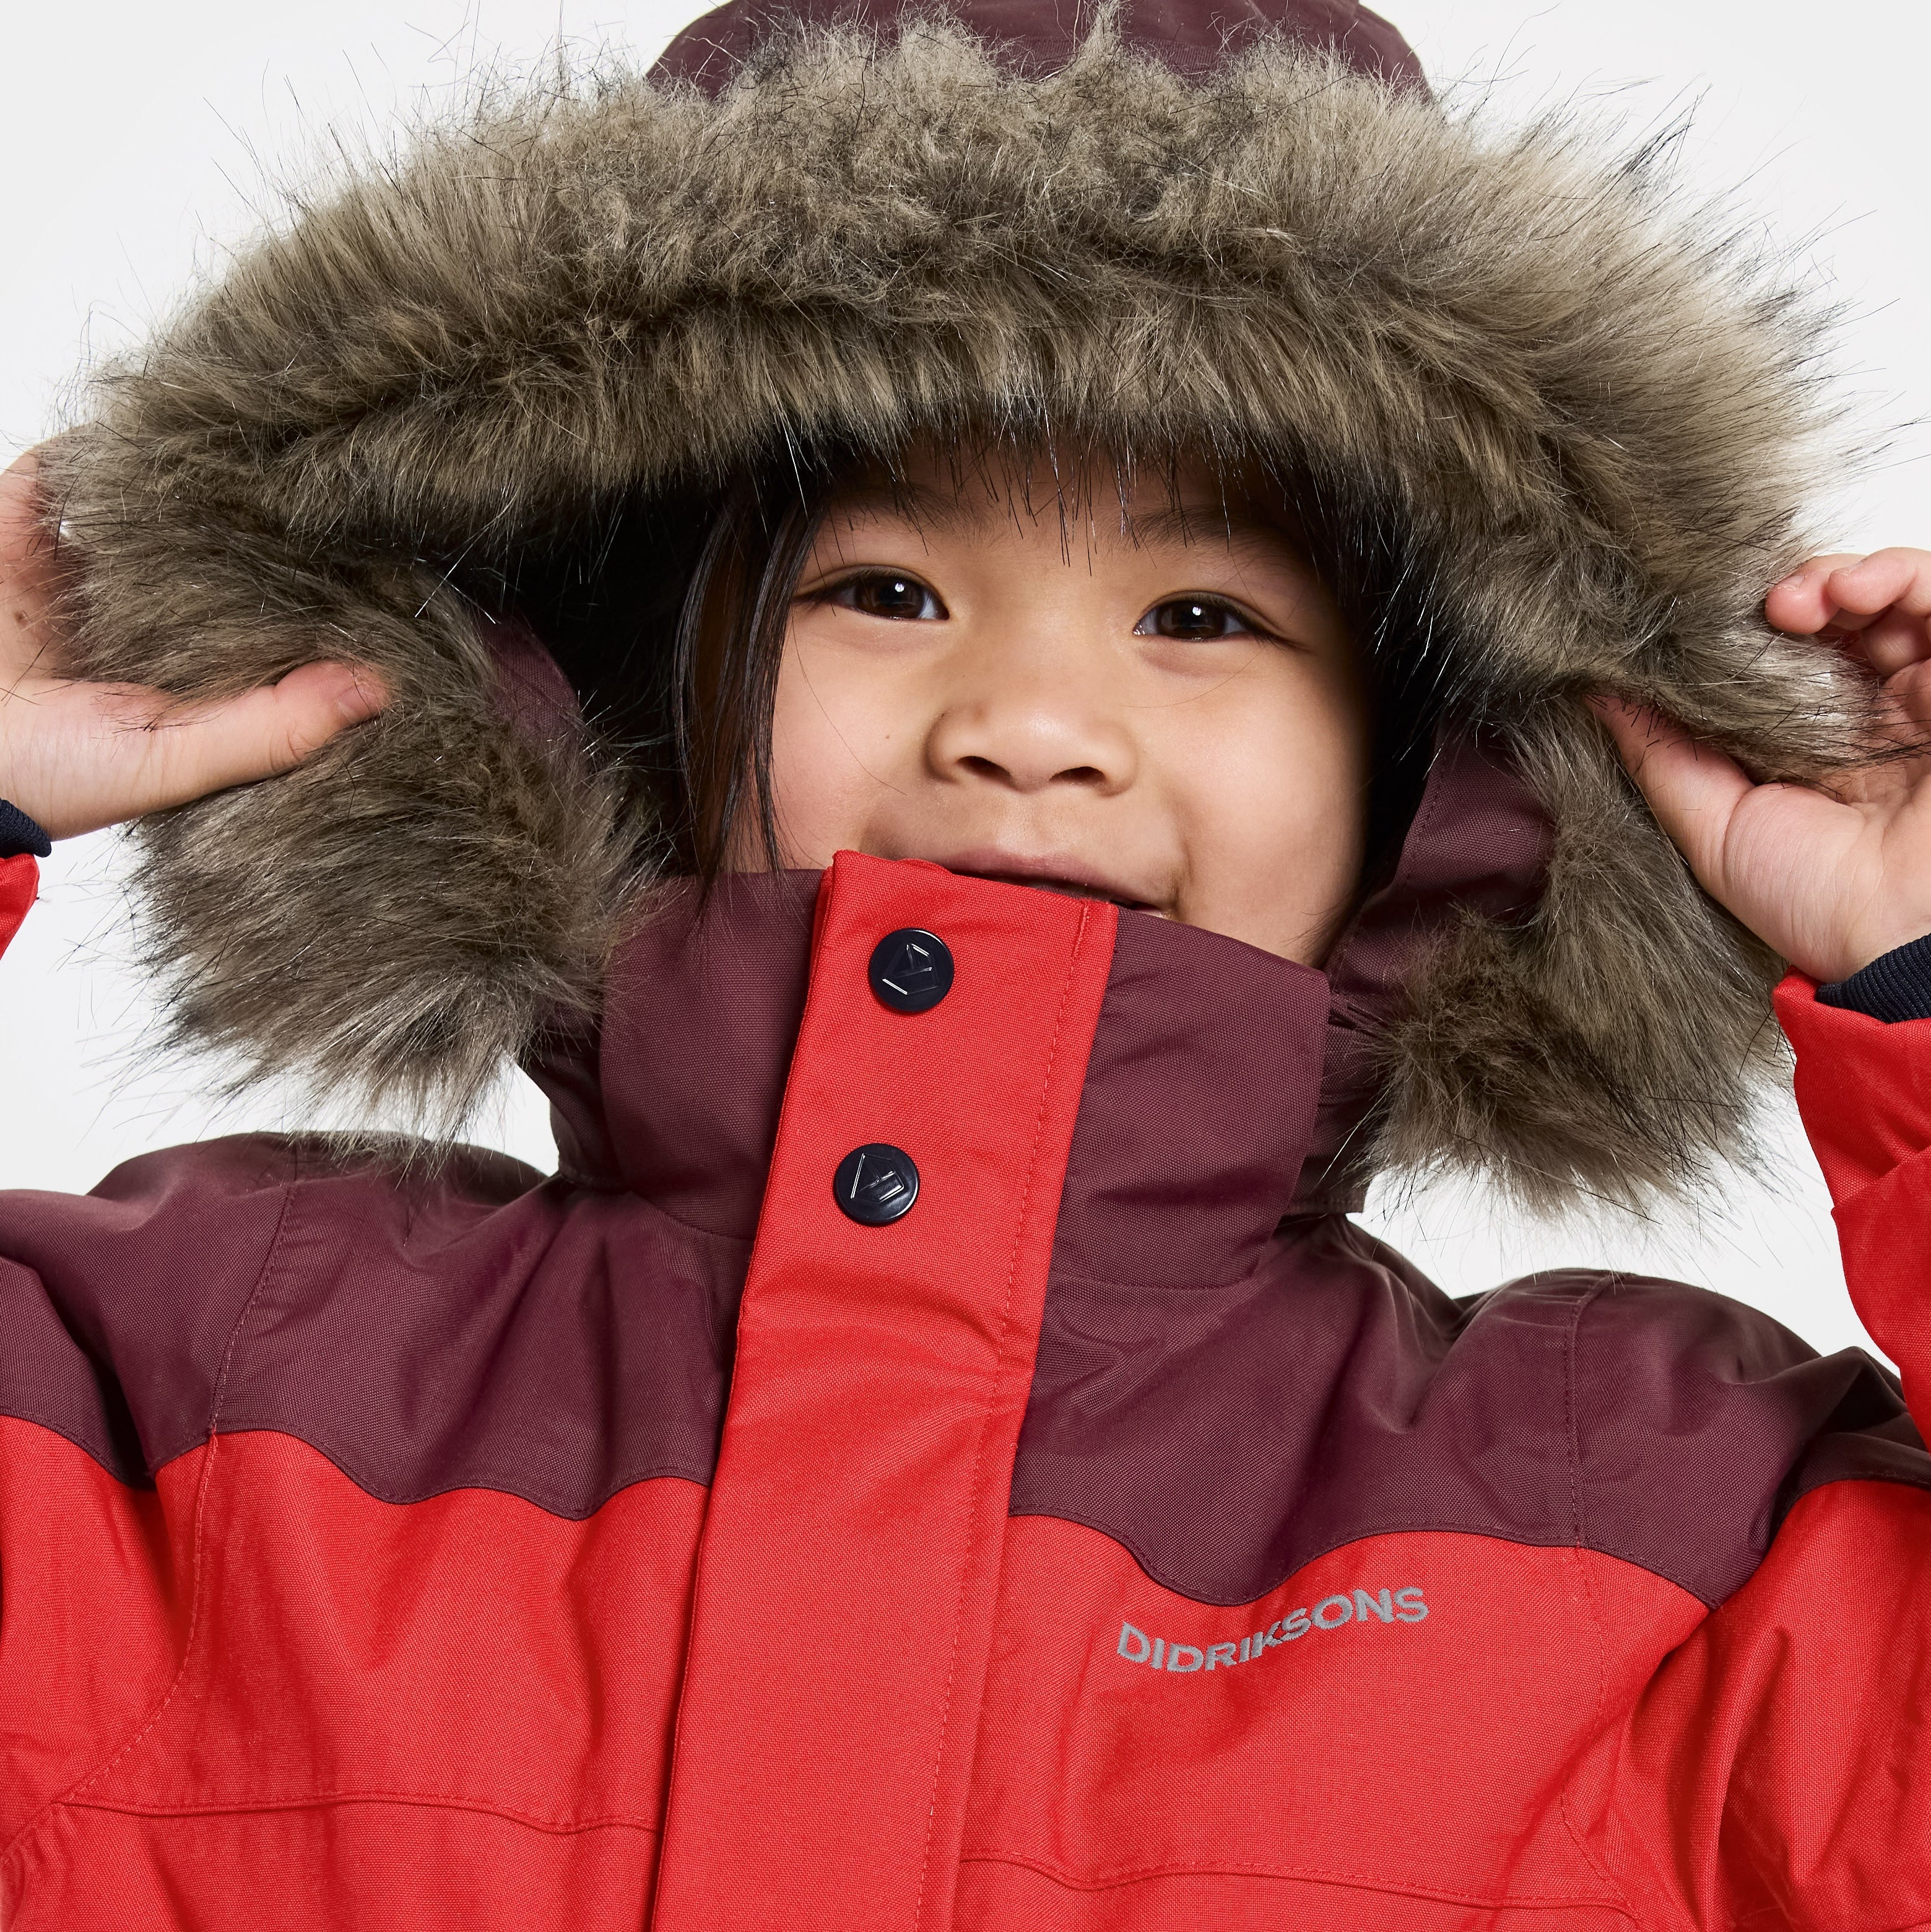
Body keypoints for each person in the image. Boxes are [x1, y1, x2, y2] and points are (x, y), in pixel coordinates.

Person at [0, 0, 1926, 1926]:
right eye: (886, 592)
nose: (1027, 722)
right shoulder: (190, 1378)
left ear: (1438, 766)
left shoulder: (1658, 1531)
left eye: (1202, 611)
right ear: (613, 694)